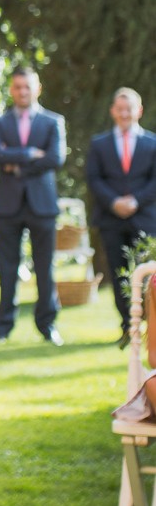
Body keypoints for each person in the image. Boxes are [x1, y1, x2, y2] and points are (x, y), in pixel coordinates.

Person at [0, 64, 66, 345]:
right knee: (7, 268)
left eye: (27, 87)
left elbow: (55, 158)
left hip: (42, 204)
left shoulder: (53, 121)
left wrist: (16, 163)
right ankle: (3, 327)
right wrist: (32, 153)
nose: (23, 92)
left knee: (45, 268)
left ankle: (47, 325)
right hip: (8, 204)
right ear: (11, 89)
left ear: (37, 88)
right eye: (18, 87)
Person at [85, 89, 156, 341]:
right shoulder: (99, 144)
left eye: (129, 109)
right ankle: (127, 326)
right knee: (118, 273)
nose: (124, 114)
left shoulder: (152, 143)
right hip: (111, 219)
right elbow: (94, 178)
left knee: (148, 275)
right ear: (113, 111)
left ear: (139, 111)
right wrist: (114, 202)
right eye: (120, 109)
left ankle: (151, 326)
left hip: (145, 217)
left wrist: (136, 201)